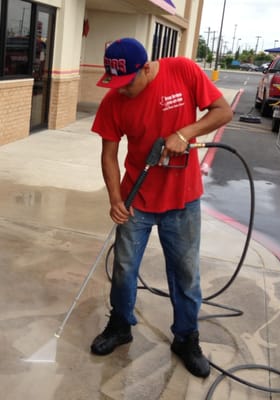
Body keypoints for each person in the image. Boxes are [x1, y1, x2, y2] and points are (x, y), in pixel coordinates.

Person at [90, 37, 233, 378]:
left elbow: (223, 111)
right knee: (124, 269)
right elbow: (109, 155)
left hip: (182, 200)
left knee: (185, 274)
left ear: (148, 67)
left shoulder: (182, 70)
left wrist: (185, 133)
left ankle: (186, 337)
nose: (122, 91)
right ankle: (120, 325)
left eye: (128, 83)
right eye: (116, 84)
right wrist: (114, 199)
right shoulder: (114, 101)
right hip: (135, 201)